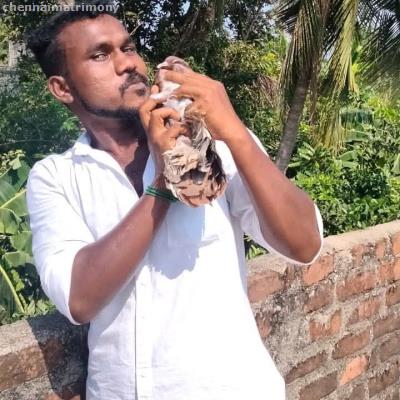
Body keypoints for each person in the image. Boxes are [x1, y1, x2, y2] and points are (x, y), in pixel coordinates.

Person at [26, 4, 323, 400]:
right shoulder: (56, 176)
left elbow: (304, 245)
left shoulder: (212, 143)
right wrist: (165, 183)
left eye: (128, 48)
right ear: (62, 88)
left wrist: (235, 131)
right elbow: (79, 298)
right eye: (100, 55)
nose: (128, 64)